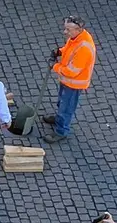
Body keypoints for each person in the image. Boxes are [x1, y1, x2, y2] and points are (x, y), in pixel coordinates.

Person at [40, 15, 95, 143]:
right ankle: (59, 119)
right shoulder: (76, 38)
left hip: (74, 84)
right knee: (62, 102)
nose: (65, 32)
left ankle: (61, 131)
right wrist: (60, 51)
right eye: (65, 28)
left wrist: (55, 66)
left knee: (66, 108)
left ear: (78, 30)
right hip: (67, 81)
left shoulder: (84, 48)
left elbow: (72, 71)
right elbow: (70, 49)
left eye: (68, 30)